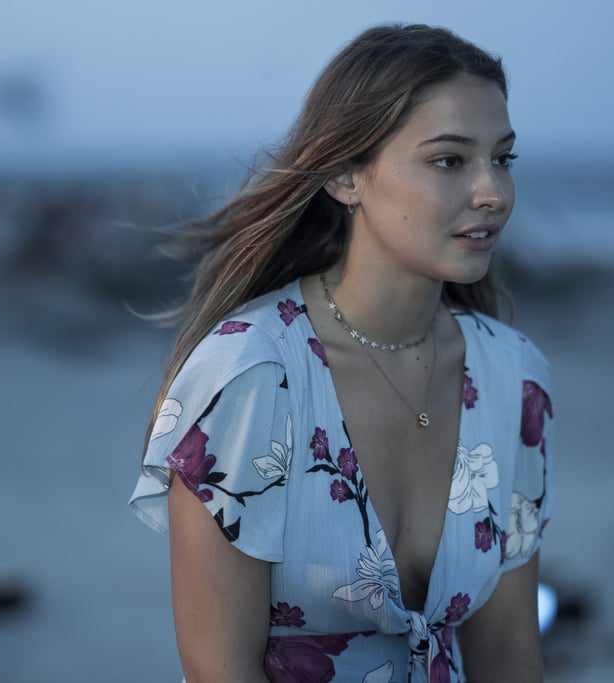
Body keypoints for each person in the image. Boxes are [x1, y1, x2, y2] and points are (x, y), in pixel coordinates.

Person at [130, 23, 556, 683]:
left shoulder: (513, 378)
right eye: (450, 160)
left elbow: (509, 657)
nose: (492, 192)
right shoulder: (252, 376)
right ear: (345, 174)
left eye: (502, 158)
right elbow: (220, 671)